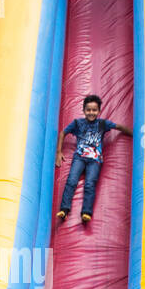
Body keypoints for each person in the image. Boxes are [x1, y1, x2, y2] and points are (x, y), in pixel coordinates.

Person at [55, 95, 132, 224]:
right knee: (71, 181)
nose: (91, 113)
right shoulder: (77, 123)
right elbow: (63, 133)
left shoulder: (102, 124)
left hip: (95, 160)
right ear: (84, 110)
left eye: (94, 110)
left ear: (99, 111)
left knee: (90, 184)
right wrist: (59, 152)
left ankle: (86, 212)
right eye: (88, 110)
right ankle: (64, 210)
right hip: (79, 157)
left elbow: (118, 127)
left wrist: (134, 133)